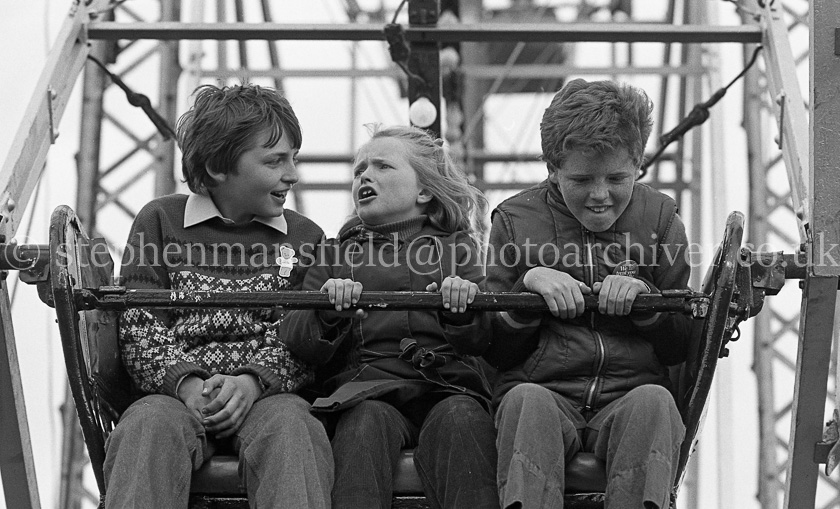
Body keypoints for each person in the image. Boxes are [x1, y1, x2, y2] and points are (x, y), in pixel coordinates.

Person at [103, 83, 333, 508]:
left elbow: (303, 335)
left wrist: (252, 382)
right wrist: (187, 384)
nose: (292, 174)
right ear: (217, 167)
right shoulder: (160, 221)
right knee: (147, 424)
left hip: (267, 398)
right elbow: (139, 323)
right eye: (275, 160)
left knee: (294, 427)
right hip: (176, 398)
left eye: (294, 158)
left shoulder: (306, 237)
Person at [485, 79, 692, 509]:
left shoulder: (661, 219)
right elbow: (494, 349)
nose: (600, 195)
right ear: (552, 169)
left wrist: (646, 303)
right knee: (525, 402)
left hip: (630, 393)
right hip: (542, 389)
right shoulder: (514, 222)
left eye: (617, 178)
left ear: (638, 164)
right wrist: (528, 289)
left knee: (655, 402)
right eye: (581, 179)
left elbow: (680, 345)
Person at [277, 125, 499, 509]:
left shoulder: (458, 248)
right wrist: (326, 311)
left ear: (424, 191)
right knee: (364, 424)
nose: (365, 175)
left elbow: (484, 339)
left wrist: (464, 309)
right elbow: (297, 338)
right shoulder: (333, 254)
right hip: (367, 389)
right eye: (359, 169)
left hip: (447, 386)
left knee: (463, 419)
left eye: (383, 166)